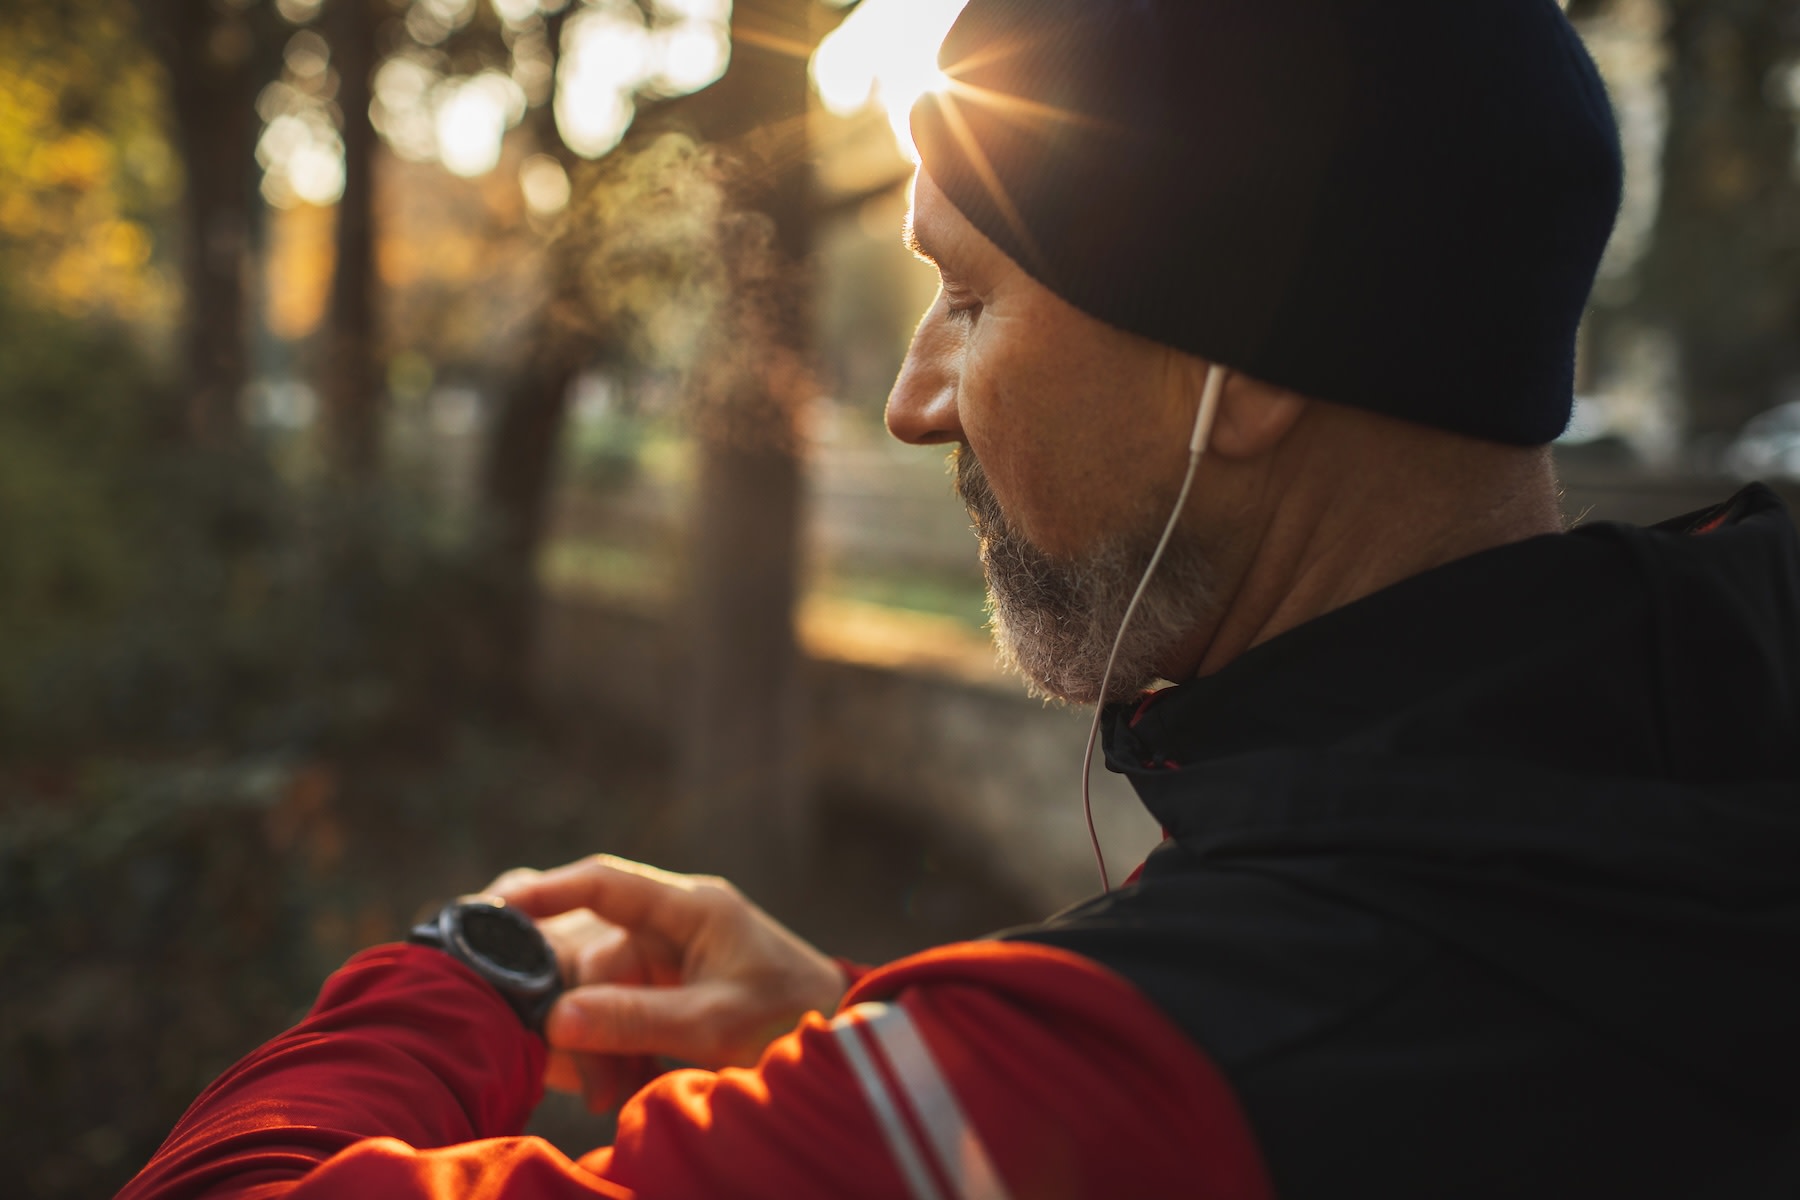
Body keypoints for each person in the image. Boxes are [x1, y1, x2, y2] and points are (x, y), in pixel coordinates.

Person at [121, 2, 1800, 1198]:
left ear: (1245, 367)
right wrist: (858, 1038)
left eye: (970, 298)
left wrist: (473, 973)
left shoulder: (1127, 1069)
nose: (913, 399)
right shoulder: (1714, 739)